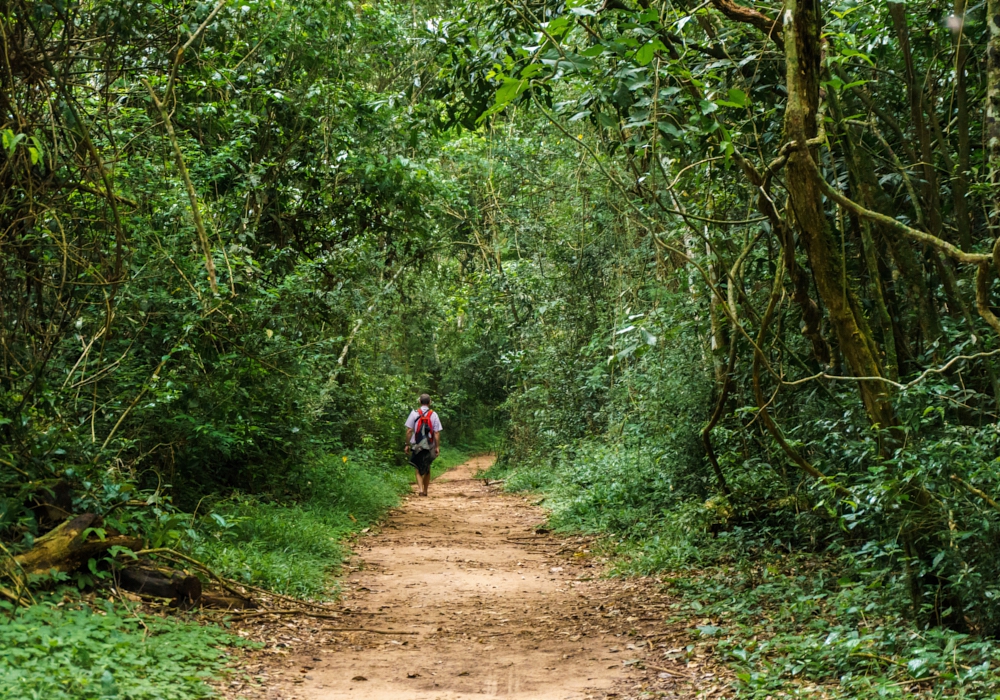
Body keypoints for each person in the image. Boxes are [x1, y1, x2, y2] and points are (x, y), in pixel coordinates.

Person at [404, 394, 442, 496]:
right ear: (429, 402)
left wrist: (407, 444)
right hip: (429, 445)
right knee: (427, 467)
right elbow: (437, 433)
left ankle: (420, 490)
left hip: (417, 445)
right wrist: (437, 446)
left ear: (420, 402)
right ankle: (425, 491)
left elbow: (409, 430)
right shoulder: (434, 415)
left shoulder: (414, 413)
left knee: (417, 467)